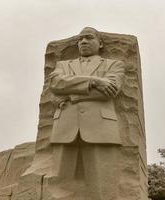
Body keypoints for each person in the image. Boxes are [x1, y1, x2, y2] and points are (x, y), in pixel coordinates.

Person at [48, 27, 125, 200]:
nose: (83, 41)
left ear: (100, 43)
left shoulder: (113, 65)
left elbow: (110, 91)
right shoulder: (63, 65)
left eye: (88, 38)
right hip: (65, 127)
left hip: (101, 127)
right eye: (80, 39)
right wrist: (94, 80)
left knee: (102, 185)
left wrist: (71, 95)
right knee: (58, 184)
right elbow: (55, 83)